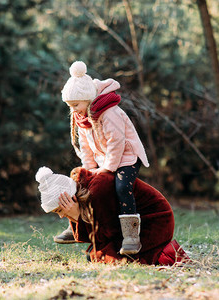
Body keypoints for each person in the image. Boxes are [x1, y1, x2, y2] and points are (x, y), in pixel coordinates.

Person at [55, 61, 149, 255]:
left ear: (87, 98)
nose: (73, 110)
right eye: (69, 106)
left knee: (122, 188)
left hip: (126, 157)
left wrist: (108, 168)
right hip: (105, 159)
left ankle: (131, 236)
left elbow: (117, 142)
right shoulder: (81, 117)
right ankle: (78, 227)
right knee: (82, 182)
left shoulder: (109, 112)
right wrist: (89, 171)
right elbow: (86, 146)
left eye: (75, 105)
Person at [36, 166, 190, 265]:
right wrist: (77, 216)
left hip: (154, 221)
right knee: (94, 254)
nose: (62, 216)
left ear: (71, 198)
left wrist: (77, 216)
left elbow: (108, 233)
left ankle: (169, 254)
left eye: (59, 210)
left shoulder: (98, 190)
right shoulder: (86, 192)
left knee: (104, 256)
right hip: (135, 224)